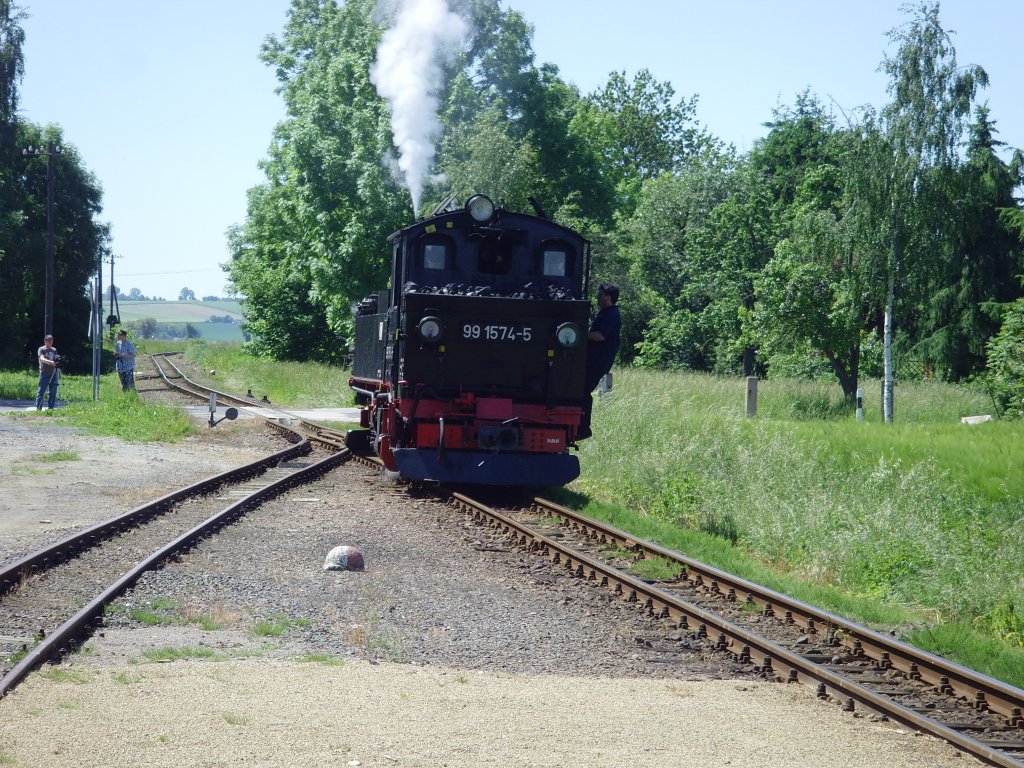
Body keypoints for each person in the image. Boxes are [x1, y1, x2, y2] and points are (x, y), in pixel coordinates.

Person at [578, 283, 621, 440]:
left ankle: (583, 428)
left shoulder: (612, 314)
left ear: (608, 297)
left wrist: (578, 333)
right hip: (595, 360)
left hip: (598, 362)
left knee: (582, 391)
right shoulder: (606, 313)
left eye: (600, 294)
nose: (598, 296)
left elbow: (601, 335)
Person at [36, 334, 60, 410]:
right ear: (45, 341)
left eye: (51, 340)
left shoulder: (54, 350)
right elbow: (42, 359)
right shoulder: (41, 349)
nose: (50, 342)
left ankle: (51, 408)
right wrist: (50, 362)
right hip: (44, 373)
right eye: (48, 340)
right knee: (41, 392)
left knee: (52, 392)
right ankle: (39, 408)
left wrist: (57, 361)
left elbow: (56, 359)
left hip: (53, 373)